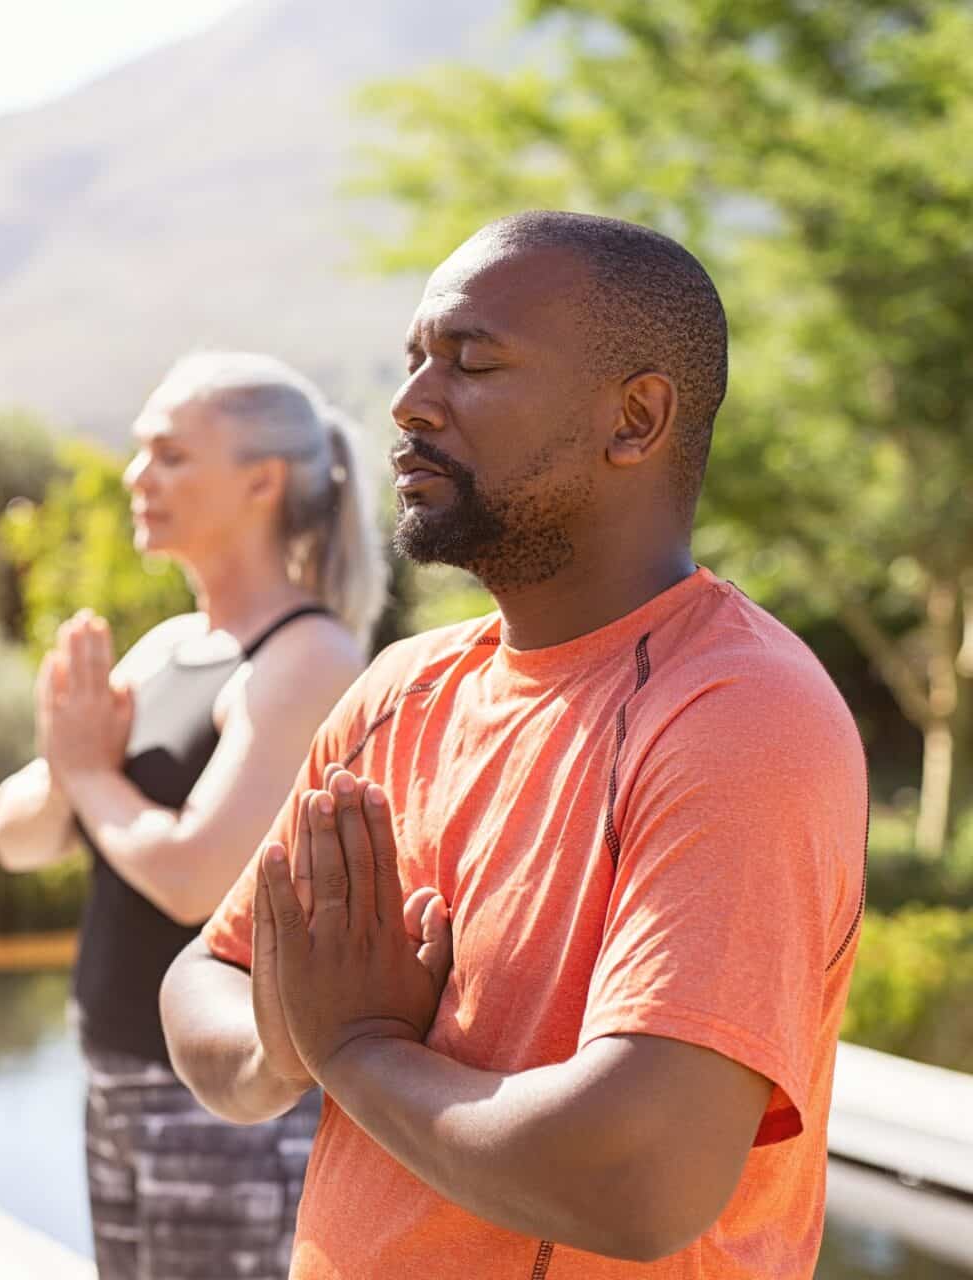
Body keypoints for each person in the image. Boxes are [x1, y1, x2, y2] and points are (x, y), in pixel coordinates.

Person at [161, 212, 869, 1279]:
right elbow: (203, 977)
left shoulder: (735, 713)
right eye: (411, 361)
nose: (408, 404)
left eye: (469, 360)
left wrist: (355, 1049)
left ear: (633, 419)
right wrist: (288, 1041)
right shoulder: (402, 690)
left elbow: (640, 1174)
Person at [0, 352, 386, 1280]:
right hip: (121, 1079)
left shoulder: (308, 657)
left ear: (261, 481)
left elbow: (195, 879)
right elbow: (17, 836)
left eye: (169, 455)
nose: (137, 477)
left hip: (226, 1103)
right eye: (140, 453)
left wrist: (85, 773)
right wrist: (70, 770)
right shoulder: (169, 647)